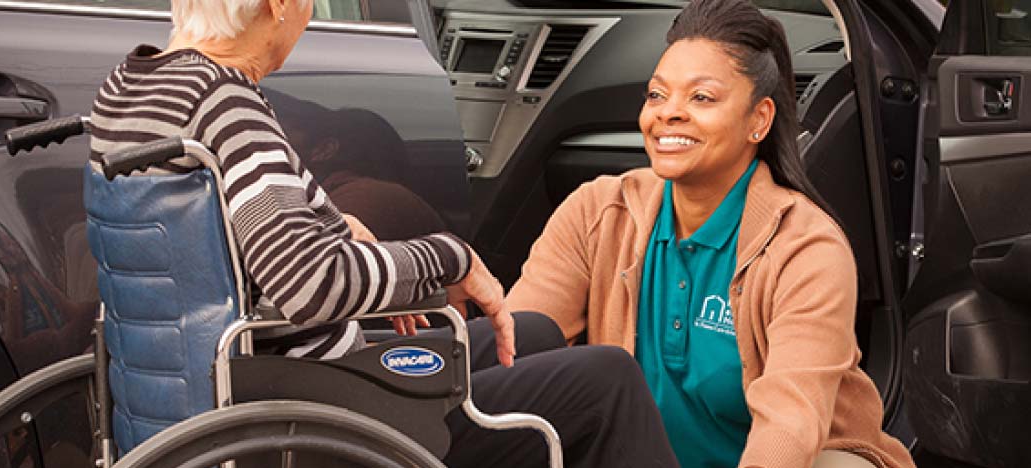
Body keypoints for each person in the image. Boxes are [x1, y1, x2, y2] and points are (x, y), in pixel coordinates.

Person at [87, 0, 678, 466]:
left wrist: (331, 224)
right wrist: (448, 258)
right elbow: (309, 286)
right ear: (276, 3)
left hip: (196, 396)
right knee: (607, 380)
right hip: (318, 411)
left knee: (538, 333)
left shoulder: (133, 88)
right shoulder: (227, 105)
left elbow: (207, 251)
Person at [505, 1, 917, 467]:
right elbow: (518, 356)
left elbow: (790, 427)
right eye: (657, 95)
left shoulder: (806, 247)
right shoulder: (595, 212)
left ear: (758, 120)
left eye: (701, 98)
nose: (669, 114)